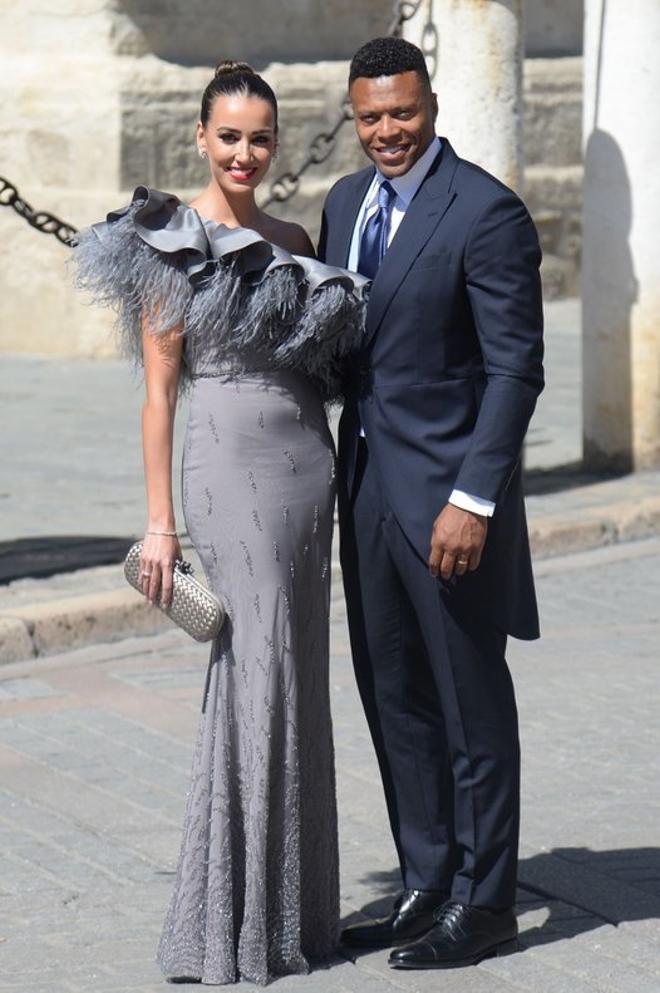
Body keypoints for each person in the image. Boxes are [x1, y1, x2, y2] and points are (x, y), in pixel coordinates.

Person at [73, 61, 368, 986]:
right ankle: (236, 921)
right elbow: (161, 394)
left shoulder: (290, 237)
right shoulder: (172, 239)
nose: (245, 152)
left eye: (260, 137)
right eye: (229, 136)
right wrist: (160, 526)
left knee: (296, 676)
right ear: (201, 138)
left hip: (304, 471)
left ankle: (295, 912)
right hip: (225, 467)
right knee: (256, 667)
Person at [318, 37, 544, 969]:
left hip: (449, 505)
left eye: (401, 113)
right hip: (365, 491)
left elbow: (514, 370)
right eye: (370, 117)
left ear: (432, 104)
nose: (387, 133)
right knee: (394, 694)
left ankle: (486, 902)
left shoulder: (486, 211)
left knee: (469, 702)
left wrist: (474, 499)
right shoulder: (342, 203)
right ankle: (426, 877)